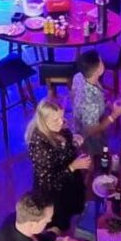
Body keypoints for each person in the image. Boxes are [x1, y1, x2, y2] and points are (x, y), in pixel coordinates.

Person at [26, 98, 90, 233]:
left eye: (62, 116)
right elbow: (48, 180)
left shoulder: (57, 126)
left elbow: (64, 145)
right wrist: (72, 167)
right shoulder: (39, 145)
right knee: (60, 222)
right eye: (56, 120)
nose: (61, 122)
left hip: (69, 180)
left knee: (73, 208)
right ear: (43, 121)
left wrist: (73, 142)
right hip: (55, 192)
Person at [71, 49, 121, 155]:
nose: (103, 61)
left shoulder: (79, 76)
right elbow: (92, 131)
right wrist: (115, 114)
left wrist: (107, 104)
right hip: (89, 138)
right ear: (97, 71)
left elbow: (73, 95)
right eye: (101, 61)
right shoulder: (90, 103)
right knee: (99, 157)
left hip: (83, 121)